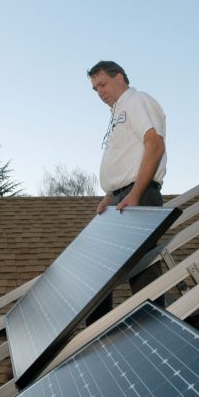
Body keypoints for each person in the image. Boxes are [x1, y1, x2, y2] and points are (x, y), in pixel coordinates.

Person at [85, 60, 168, 324]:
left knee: (142, 272)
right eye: (95, 88)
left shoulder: (138, 101)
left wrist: (135, 194)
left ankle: (155, 329)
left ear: (119, 77)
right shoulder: (117, 113)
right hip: (121, 197)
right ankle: (97, 331)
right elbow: (126, 158)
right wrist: (110, 195)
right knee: (100, 266)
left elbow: (154, 145)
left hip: (139, 194)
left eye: (103, 84)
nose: (99, 92)